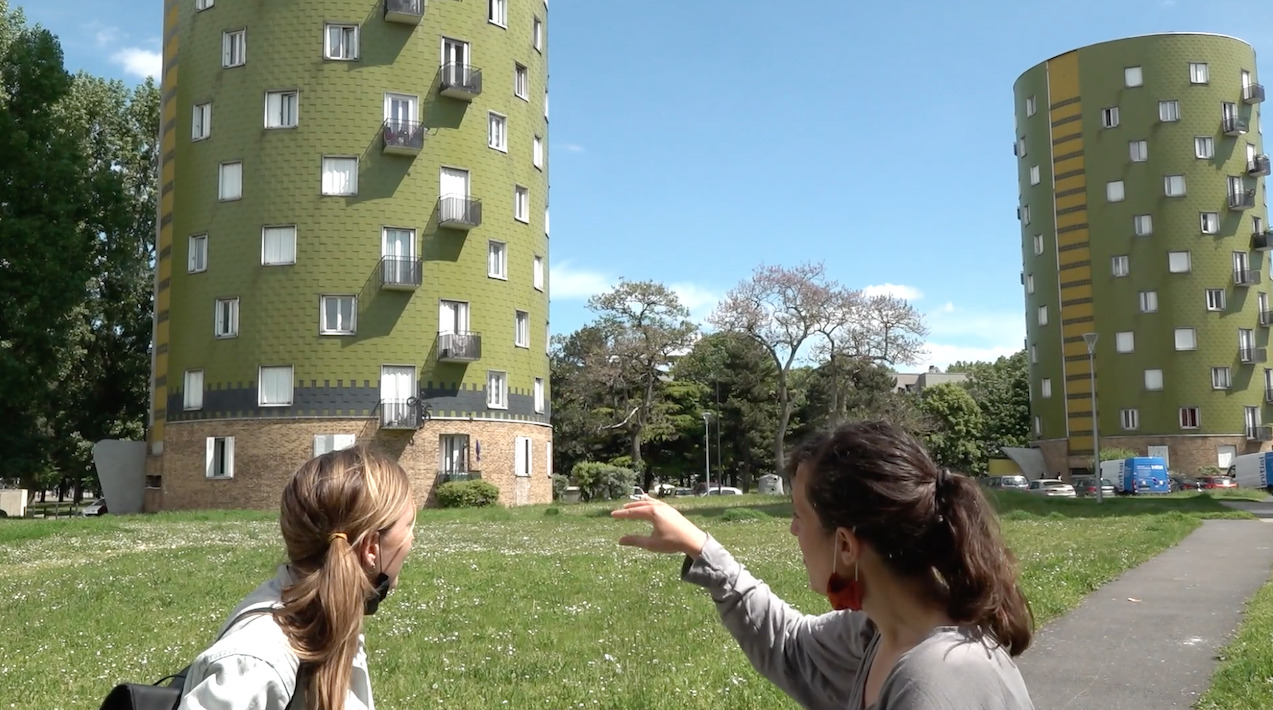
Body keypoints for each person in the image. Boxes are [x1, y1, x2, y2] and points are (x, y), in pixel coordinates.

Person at [613, 420, 1035, 710]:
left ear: (846, 545)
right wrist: (699, 547)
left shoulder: (937, 681)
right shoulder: (876, 631)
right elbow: (791, 646)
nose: (793, 530)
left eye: (800, 515)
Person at [179, 446, 416, 710]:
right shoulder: (257, 660)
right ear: (371, 548)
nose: (411, 539)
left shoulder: (329, 616)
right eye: (408, 526)